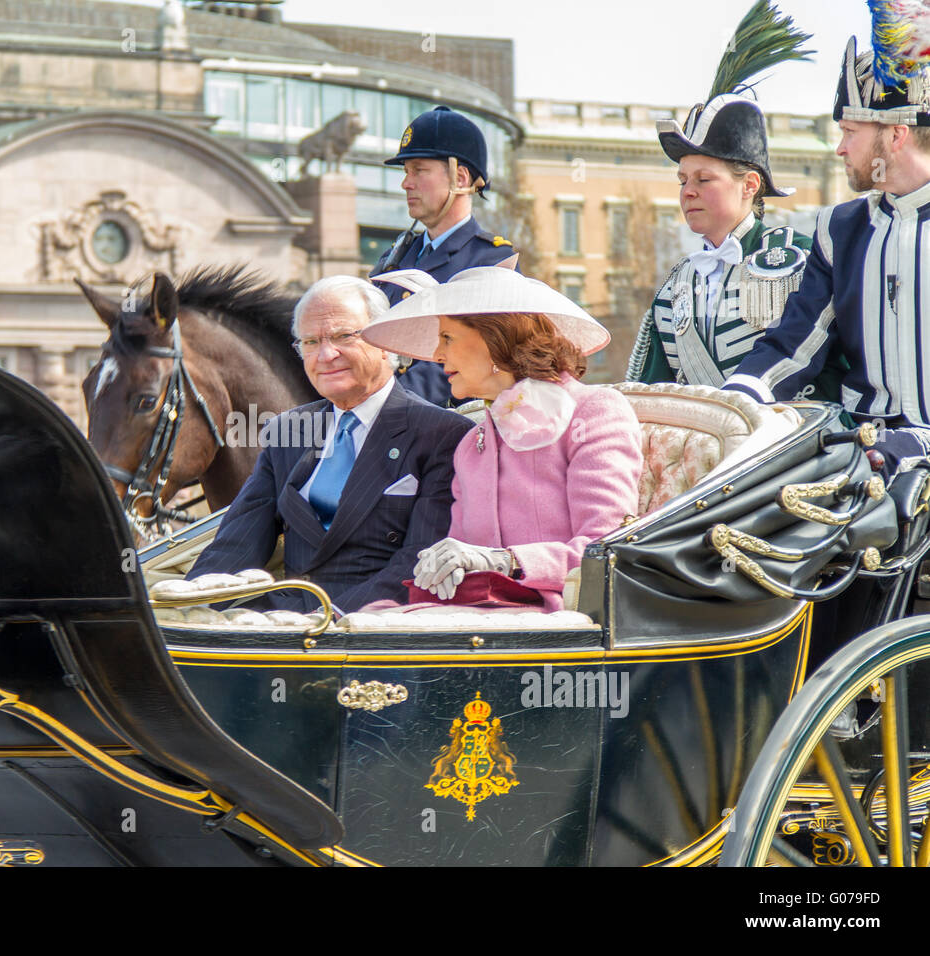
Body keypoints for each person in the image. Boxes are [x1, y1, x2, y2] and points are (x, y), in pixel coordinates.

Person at [362, 266, 642, 612]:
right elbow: (467, 560)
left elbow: (607, 551)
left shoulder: (594, 411)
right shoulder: (472, 444)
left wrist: (504, 560)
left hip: (563, 629)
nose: (436, 354)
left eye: (446, 337)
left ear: (496, 340)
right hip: (482, 624)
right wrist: (440, 575)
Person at [188, 275, 473, 612]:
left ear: (385, 343)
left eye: (342, 336)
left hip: (373, 635)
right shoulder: (288, 431)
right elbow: (234, 546)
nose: (325, 354)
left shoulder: (442, 434)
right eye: (310, 342)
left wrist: (327, 622)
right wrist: (187, 607)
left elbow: (417, 565)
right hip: (282, 627)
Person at [724, 24, 930, 476]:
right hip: (863, 460)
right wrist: (732, 404)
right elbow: (795, 344)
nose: (839, 148)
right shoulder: (839, 229)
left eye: (850, 131)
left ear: (895, 135)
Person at [626, 2, 842, 396]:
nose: (688, 191)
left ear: (750, 185)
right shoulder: (675, 285)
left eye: (704, 179)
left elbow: (833, 370)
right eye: (683, 180)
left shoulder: (802, 258)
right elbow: (650, 388)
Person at [370, 106, 517, 407]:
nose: (406, 183)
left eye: (419, 170)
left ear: (460, 178)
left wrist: (381, 405)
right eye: (406, 171)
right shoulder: (393, 257)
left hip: (443, 430)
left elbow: (464, 362)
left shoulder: (491, 260)